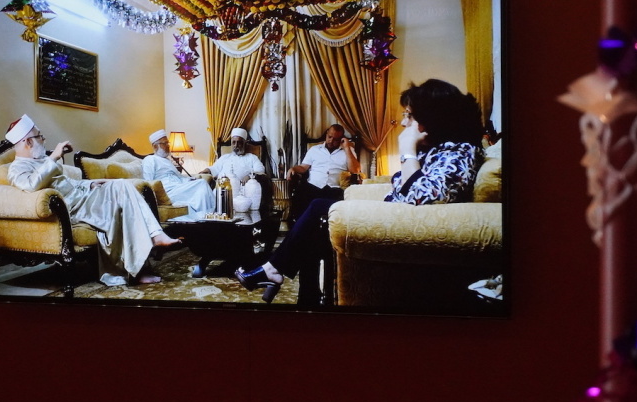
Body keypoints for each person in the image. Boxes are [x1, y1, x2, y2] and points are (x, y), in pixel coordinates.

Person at [235, 78, 485, 305]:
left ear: (431, 120)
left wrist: (407, 149)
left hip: (403, 221)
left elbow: (424, 196)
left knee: (319, 210)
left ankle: (276, 273)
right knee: (313, 225)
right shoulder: (439, 149)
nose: (404, 122)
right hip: (385, 211)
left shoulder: (459, 151)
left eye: (409, 115)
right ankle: (301, 293)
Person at [4, 114, 183, 287]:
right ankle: (154, 238)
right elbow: (31, 185)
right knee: (120, 190)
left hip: (83, 198)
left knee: (122, 185)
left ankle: (141, 264)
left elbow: (65, 184)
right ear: (28, 142)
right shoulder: (17, 168)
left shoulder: (41, 159)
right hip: (73, 208)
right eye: (39, 136)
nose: (43, 139)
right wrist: (54, 157)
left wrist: (89, 184)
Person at [286, 124, 361, 223]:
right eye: (330, 137)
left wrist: (347, 148)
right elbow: (304, 167)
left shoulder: (348, 151)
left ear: (341, 139)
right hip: (313, 186)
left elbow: (355, 170)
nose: (331, 141)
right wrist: (293, 168)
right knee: (300, 194)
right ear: (326, 134)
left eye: (335, 139)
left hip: (335, 189)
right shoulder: (314, 150)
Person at [142, 129, 214, 218]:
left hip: (178, 188)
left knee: (201, 183)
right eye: (164, 143)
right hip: (168, 192)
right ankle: (209, 216)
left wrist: (190, 180)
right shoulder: (150, 160)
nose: (168, 146)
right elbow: (148, 182)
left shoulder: (167, 161)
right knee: (201, 184)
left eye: (168, 143)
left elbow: (179, 177)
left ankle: (208, 215)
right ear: (155, 146)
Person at [198, 127, 265, 184]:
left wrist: (249, 176)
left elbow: (260, 170)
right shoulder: (225, 157)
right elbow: (214, 168)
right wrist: (206, 170)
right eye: (234, 142)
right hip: (221, 188)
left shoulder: (252, 158)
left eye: (239, 142)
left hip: (243, 190)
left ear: (245, 143)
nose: (236, 145)